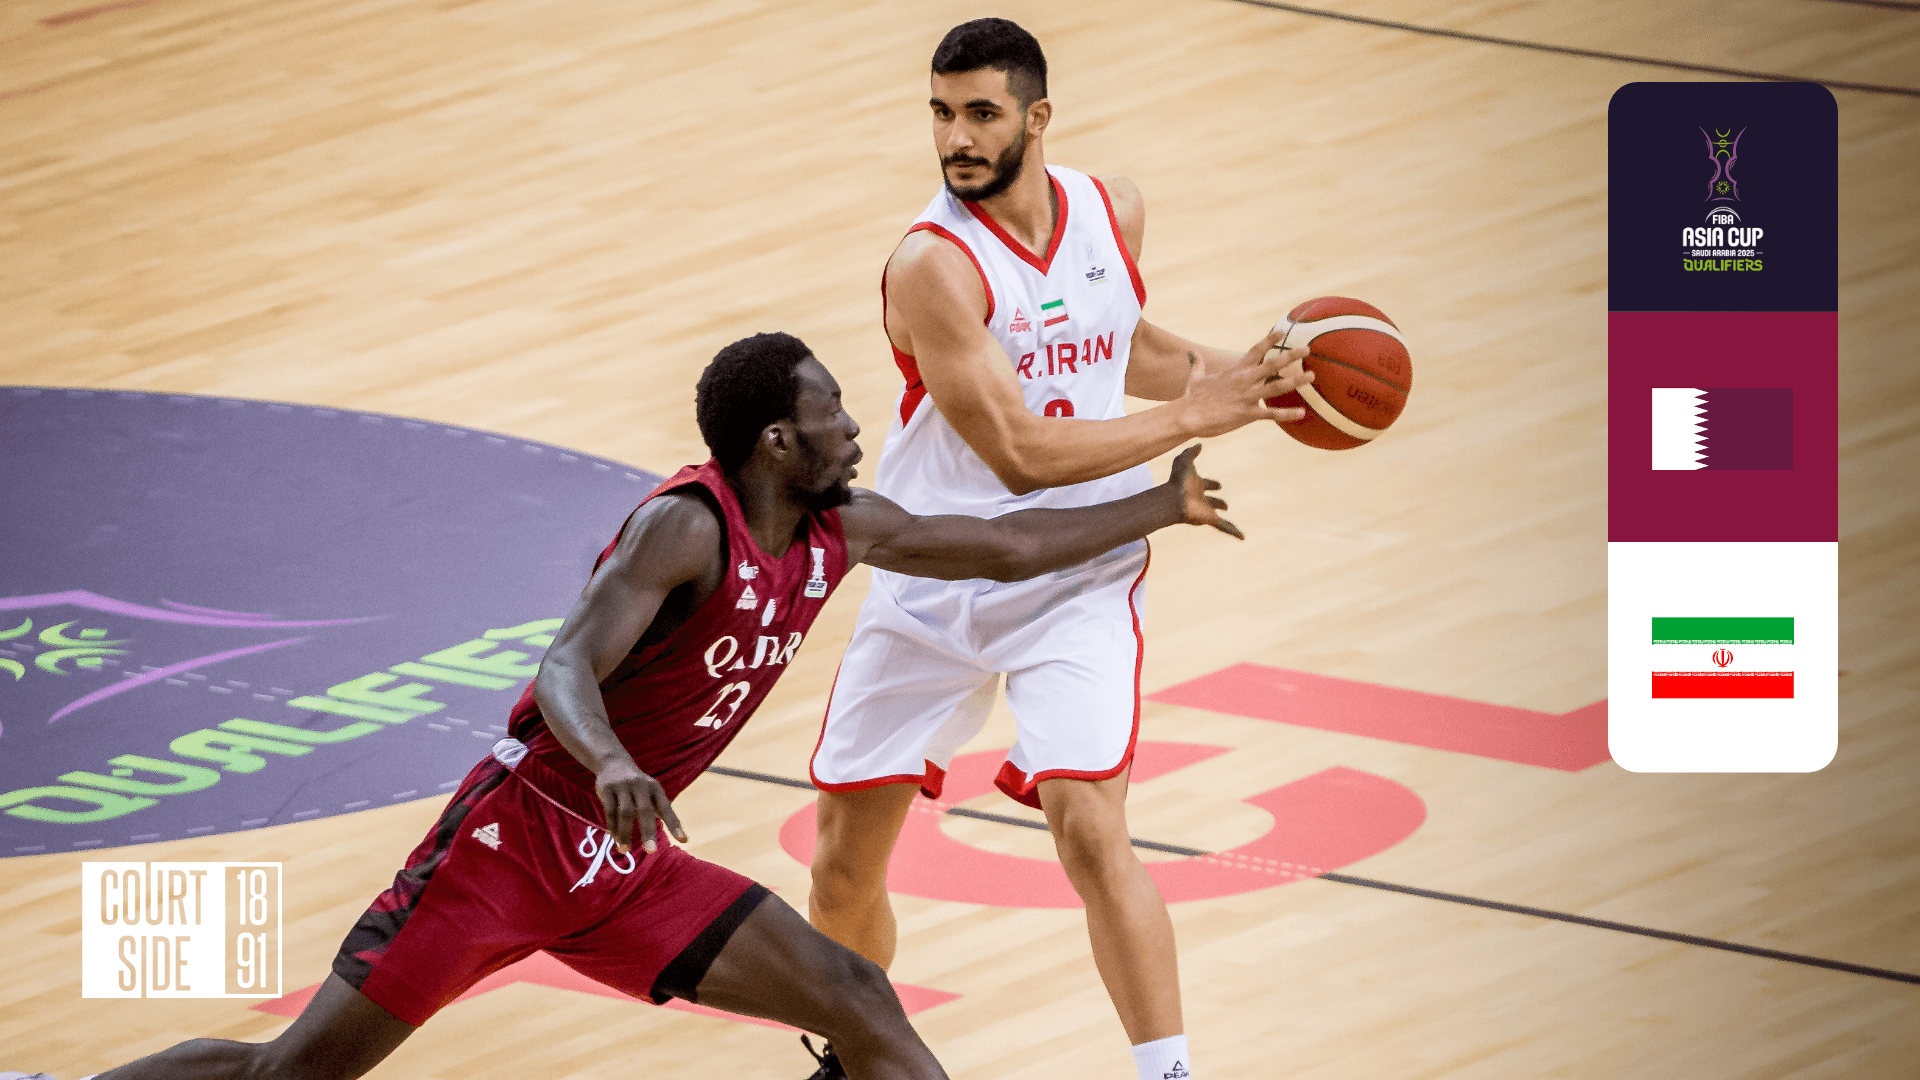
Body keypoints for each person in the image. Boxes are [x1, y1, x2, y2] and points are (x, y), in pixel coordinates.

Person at [17, 331, 1269, 1080]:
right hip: (513, 847)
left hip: (625, 870)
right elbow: (567, 665)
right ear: (776, 442)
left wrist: (1159, 503)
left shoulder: (842, 524)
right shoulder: (686, 528)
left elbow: (997, 547)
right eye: (830, 412)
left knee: (859, 1000)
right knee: (294, 1072)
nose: (853, 427)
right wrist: (613, 761)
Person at [804, 19, 1315, 1080]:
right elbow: (1023, 453)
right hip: (935, 574)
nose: (956, 138)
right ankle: (861, 1059)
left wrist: (1257, 379)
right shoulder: (932, 267)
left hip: (1076, 573)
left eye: (981, 113)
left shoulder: (1111, 210)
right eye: (941, 113)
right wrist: (1197, 415)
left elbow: (1124, 343)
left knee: (1090, 826)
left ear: (1037, 117)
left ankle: (1168, 1074)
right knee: (842, 872)